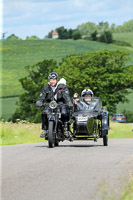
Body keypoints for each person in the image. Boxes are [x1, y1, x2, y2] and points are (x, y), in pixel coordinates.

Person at [36, 72, 73, 138]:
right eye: (50, 79)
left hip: (60, 103)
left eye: (53, 79)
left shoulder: (62, 87)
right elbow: (42, 97)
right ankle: (45, 129)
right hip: (49, 104)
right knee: (45, 113)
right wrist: (39, 102)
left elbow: (66, 96)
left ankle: (65, 129)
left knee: (64, 113)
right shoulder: (46, 87)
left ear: (56, 80)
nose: (52, 81)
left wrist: (69, 103)